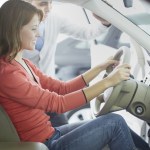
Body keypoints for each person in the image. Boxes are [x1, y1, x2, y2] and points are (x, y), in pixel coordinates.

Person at [0, 0, 148, 150]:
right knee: (114, 122)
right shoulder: (8, 74)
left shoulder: (23, 62)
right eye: (33, 29)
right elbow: (59, 103)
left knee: (116, 122)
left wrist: (99, 68)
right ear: (15, 29)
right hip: (45, 144)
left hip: (52, 133)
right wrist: (108, 82)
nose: (38, 34)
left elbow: (62, 88)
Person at [23, 0, 111, 77]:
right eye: (43, 3)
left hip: (49, 84)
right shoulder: (13, 25)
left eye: (50, 3)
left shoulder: (55, 19)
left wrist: (104, 23)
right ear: (28, 4)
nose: (49, 8)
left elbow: (85, 33)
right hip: (24, 84)